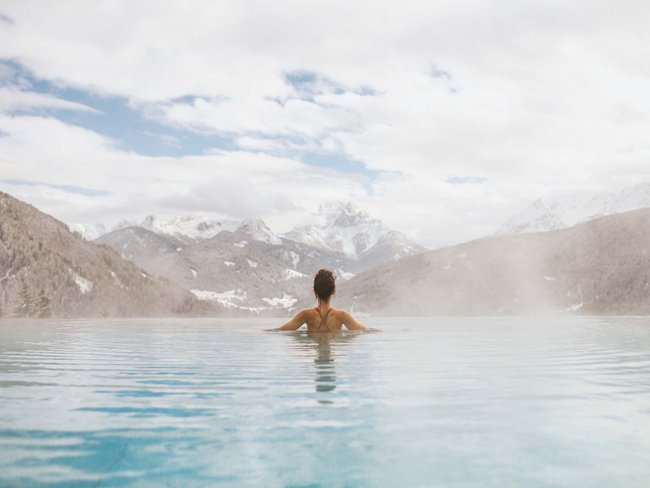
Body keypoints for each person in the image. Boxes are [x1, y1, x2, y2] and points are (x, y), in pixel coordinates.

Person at [269, 269, 367, 331]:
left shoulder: (306, 315)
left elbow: (280, 330)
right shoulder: (342, 316)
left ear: (315, 291)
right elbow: (364, 331)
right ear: (333, 291)